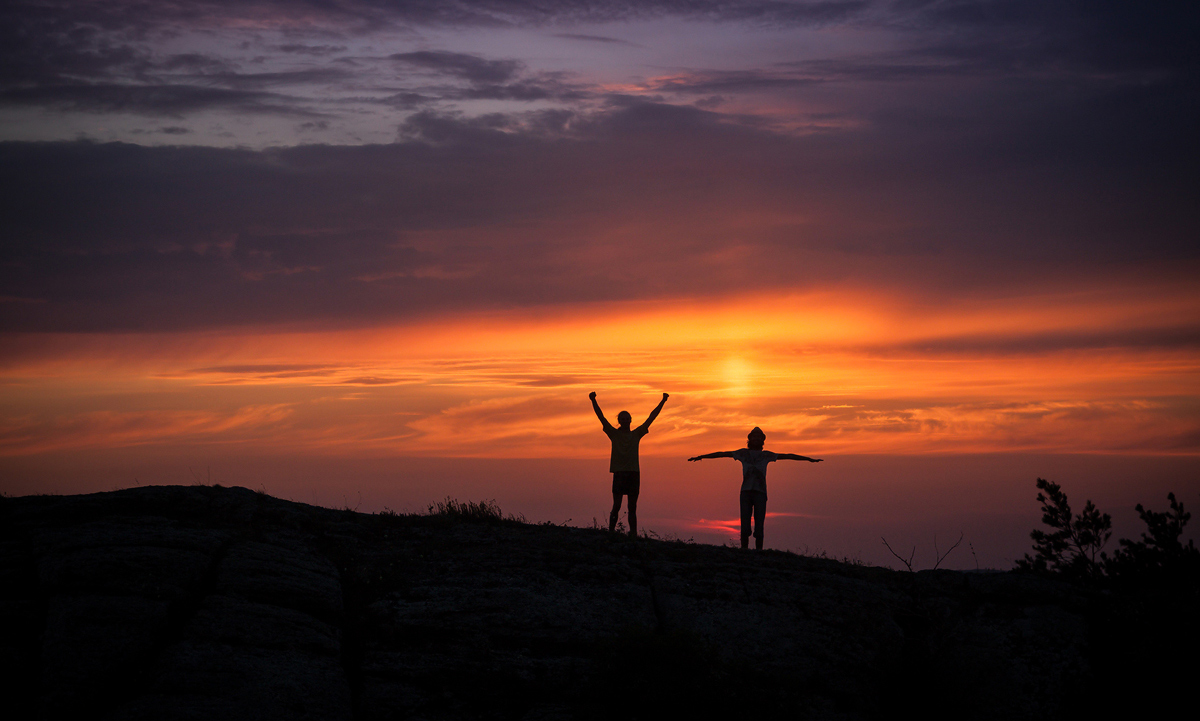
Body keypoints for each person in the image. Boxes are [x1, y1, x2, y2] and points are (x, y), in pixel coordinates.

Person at [688, 427, 822, 550]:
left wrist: (809, 459)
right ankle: (744, 550)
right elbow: (722, 454)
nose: (756, 439)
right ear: (749, 439)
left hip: (760, 493)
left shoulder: (767, 455)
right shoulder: (742, 454)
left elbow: (788, 456)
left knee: (759, 524)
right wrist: (701, 457)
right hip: (745, 492)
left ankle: (759, 551)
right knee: (745, 523)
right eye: (754, 437)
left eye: (759, 437)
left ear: (763, 440)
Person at [590, 391, 669, 537]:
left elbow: (652, 417)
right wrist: (593, 400)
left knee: (632, 507)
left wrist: (663, 401)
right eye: (623, 419)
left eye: (627, 418)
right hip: (619, 473)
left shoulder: (636, 434)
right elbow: (601, 417)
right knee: (617, 505)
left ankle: (633, 534)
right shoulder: (613, 434)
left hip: (633, 473)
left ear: (630, 420)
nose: (625, 421)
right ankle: (611, 531)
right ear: (619, 421)